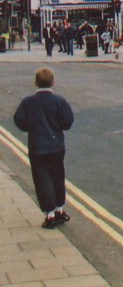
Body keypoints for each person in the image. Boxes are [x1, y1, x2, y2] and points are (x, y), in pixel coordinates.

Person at [13, 68, 74, 229]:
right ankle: (60, 209)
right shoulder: (59, 101)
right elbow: (67, 121)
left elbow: (19, 120)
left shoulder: (28, 102)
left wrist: (32, 127)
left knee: (42, 179)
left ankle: (50, 214)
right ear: (53, 82)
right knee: (57, 176)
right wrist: (56, 127)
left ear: (35, 82)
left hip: (38, 146)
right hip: (56, 146)